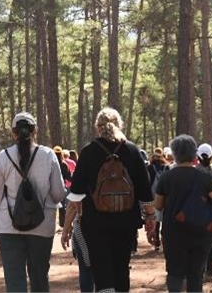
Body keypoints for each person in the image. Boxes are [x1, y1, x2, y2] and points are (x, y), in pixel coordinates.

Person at [67, 107, 156, 292]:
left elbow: (75, 194)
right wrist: (150, 218)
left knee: (102, 270)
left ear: (97, 127)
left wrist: (69, 224)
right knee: (121, 268)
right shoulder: (132, 151)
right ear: (120, 125)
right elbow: (145, 192)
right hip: (126, 222)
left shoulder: (89, 151)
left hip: (95, 223)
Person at [0, 112, 67, 292]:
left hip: (9, 225)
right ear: (35, 131)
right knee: (39, 280)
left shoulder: (4, 156)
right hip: (42, 226)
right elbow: (58, 193)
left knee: (15, 281)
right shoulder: (48, 155)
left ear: (13, 133)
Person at [154, 135, 212, 292]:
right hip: (201, 232)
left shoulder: (167, 177)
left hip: (173, 232)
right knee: (195, 274)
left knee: (174, 273)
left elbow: (158, 205)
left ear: (174, 154)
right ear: (194, 154)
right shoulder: (205, 177)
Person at [195, 143, 212, 282]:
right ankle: (209, 270)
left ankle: (200, 268)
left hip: (197, 210)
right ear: (211, 156)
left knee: (198, 241)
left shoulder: (194, 171)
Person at [61, 195, 95, 292]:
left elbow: (73, 205)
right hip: (111, 227)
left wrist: (65, 231)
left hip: (85, 228)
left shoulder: (82, 179)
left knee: (86, 269)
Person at [148, 148, 170, 252]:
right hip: (166, 197)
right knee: (165, 221)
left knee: (155, 221)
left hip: (153, 197)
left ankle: (156, 243)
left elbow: (147, 183)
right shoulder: (167, 167)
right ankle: (165, 241)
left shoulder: (149, 168)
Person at [54, 146, 72, 228]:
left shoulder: (51, 163)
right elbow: (69, 177)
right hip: (62, 187)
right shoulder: (64, 165)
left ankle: (52, 224)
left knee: (51, 207)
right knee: (62, 207)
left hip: (51, 187)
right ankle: (63, 224)